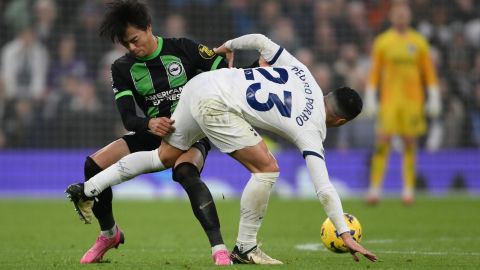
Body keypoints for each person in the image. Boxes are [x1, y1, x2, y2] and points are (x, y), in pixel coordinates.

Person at [67, 33, 377, 265]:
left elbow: (260, 40)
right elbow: (323, 188)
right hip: (216, 105)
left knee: (161, 157)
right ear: (340, 120)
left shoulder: (304, 74)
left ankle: (89, 187)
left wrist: (229, 45)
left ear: (329, 94)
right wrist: (344, 232)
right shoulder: (314, 128)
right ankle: (245, 247)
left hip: (200, 85)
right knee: (267, 169)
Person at [65, 0, 232, 265]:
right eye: (126, 44)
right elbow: (129, 118)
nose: (132, 47)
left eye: (135, 39)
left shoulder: (184, 48)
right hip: (153, 133)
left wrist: (230, 69)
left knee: (186, 172)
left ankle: (219, 249)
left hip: (190, 134)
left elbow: (225, 74)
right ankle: (109, 234)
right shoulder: (122, 68)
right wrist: (149, 124)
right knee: (93, 164)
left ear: (149, 28)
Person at [363, 1, 441, 205]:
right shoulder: (383, 42)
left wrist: (433, 96)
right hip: (390, 101)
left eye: (404, 14)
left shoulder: (419, 42)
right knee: (382, 142)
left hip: (413, 102)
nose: (400, 17)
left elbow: (428, 73)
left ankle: (408, 190)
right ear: (391, 17)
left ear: (409, 16)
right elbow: (375, 73)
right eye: (397, 14)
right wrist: (371, 97)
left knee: (410, 143)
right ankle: (375, 189)